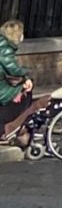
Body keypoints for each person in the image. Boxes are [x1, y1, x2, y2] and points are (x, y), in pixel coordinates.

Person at [0, 20, 36, 148]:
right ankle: (14, 125)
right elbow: (12, 68)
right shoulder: (4, 47)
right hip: (2, 87)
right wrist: (26, 76)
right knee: (25, 94)